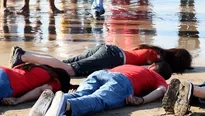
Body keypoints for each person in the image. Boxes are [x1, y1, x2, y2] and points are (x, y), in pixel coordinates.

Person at [31, 61, 172, 116]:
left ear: (152, 65)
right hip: (123, 82)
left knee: (81, 93)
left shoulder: (136, 67)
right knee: (98, 100)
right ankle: (66, 105)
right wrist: (141, 100)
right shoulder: (158, 78)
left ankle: (52, 102)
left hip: (103, 72)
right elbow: (161, 91)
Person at [10, 44, 192, 77]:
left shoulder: (154, 49)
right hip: (112, 56)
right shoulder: (157, 56)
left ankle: (25, 55)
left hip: (108, 49)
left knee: (64, 63)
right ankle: (23, 56)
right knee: (69, 70)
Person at [0, 63, 77, 105]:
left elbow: (15, 68)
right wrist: (18, 100)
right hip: (8, 84)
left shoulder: (37, 66)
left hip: (3, 70)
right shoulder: (55, 80)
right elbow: (42, 90)